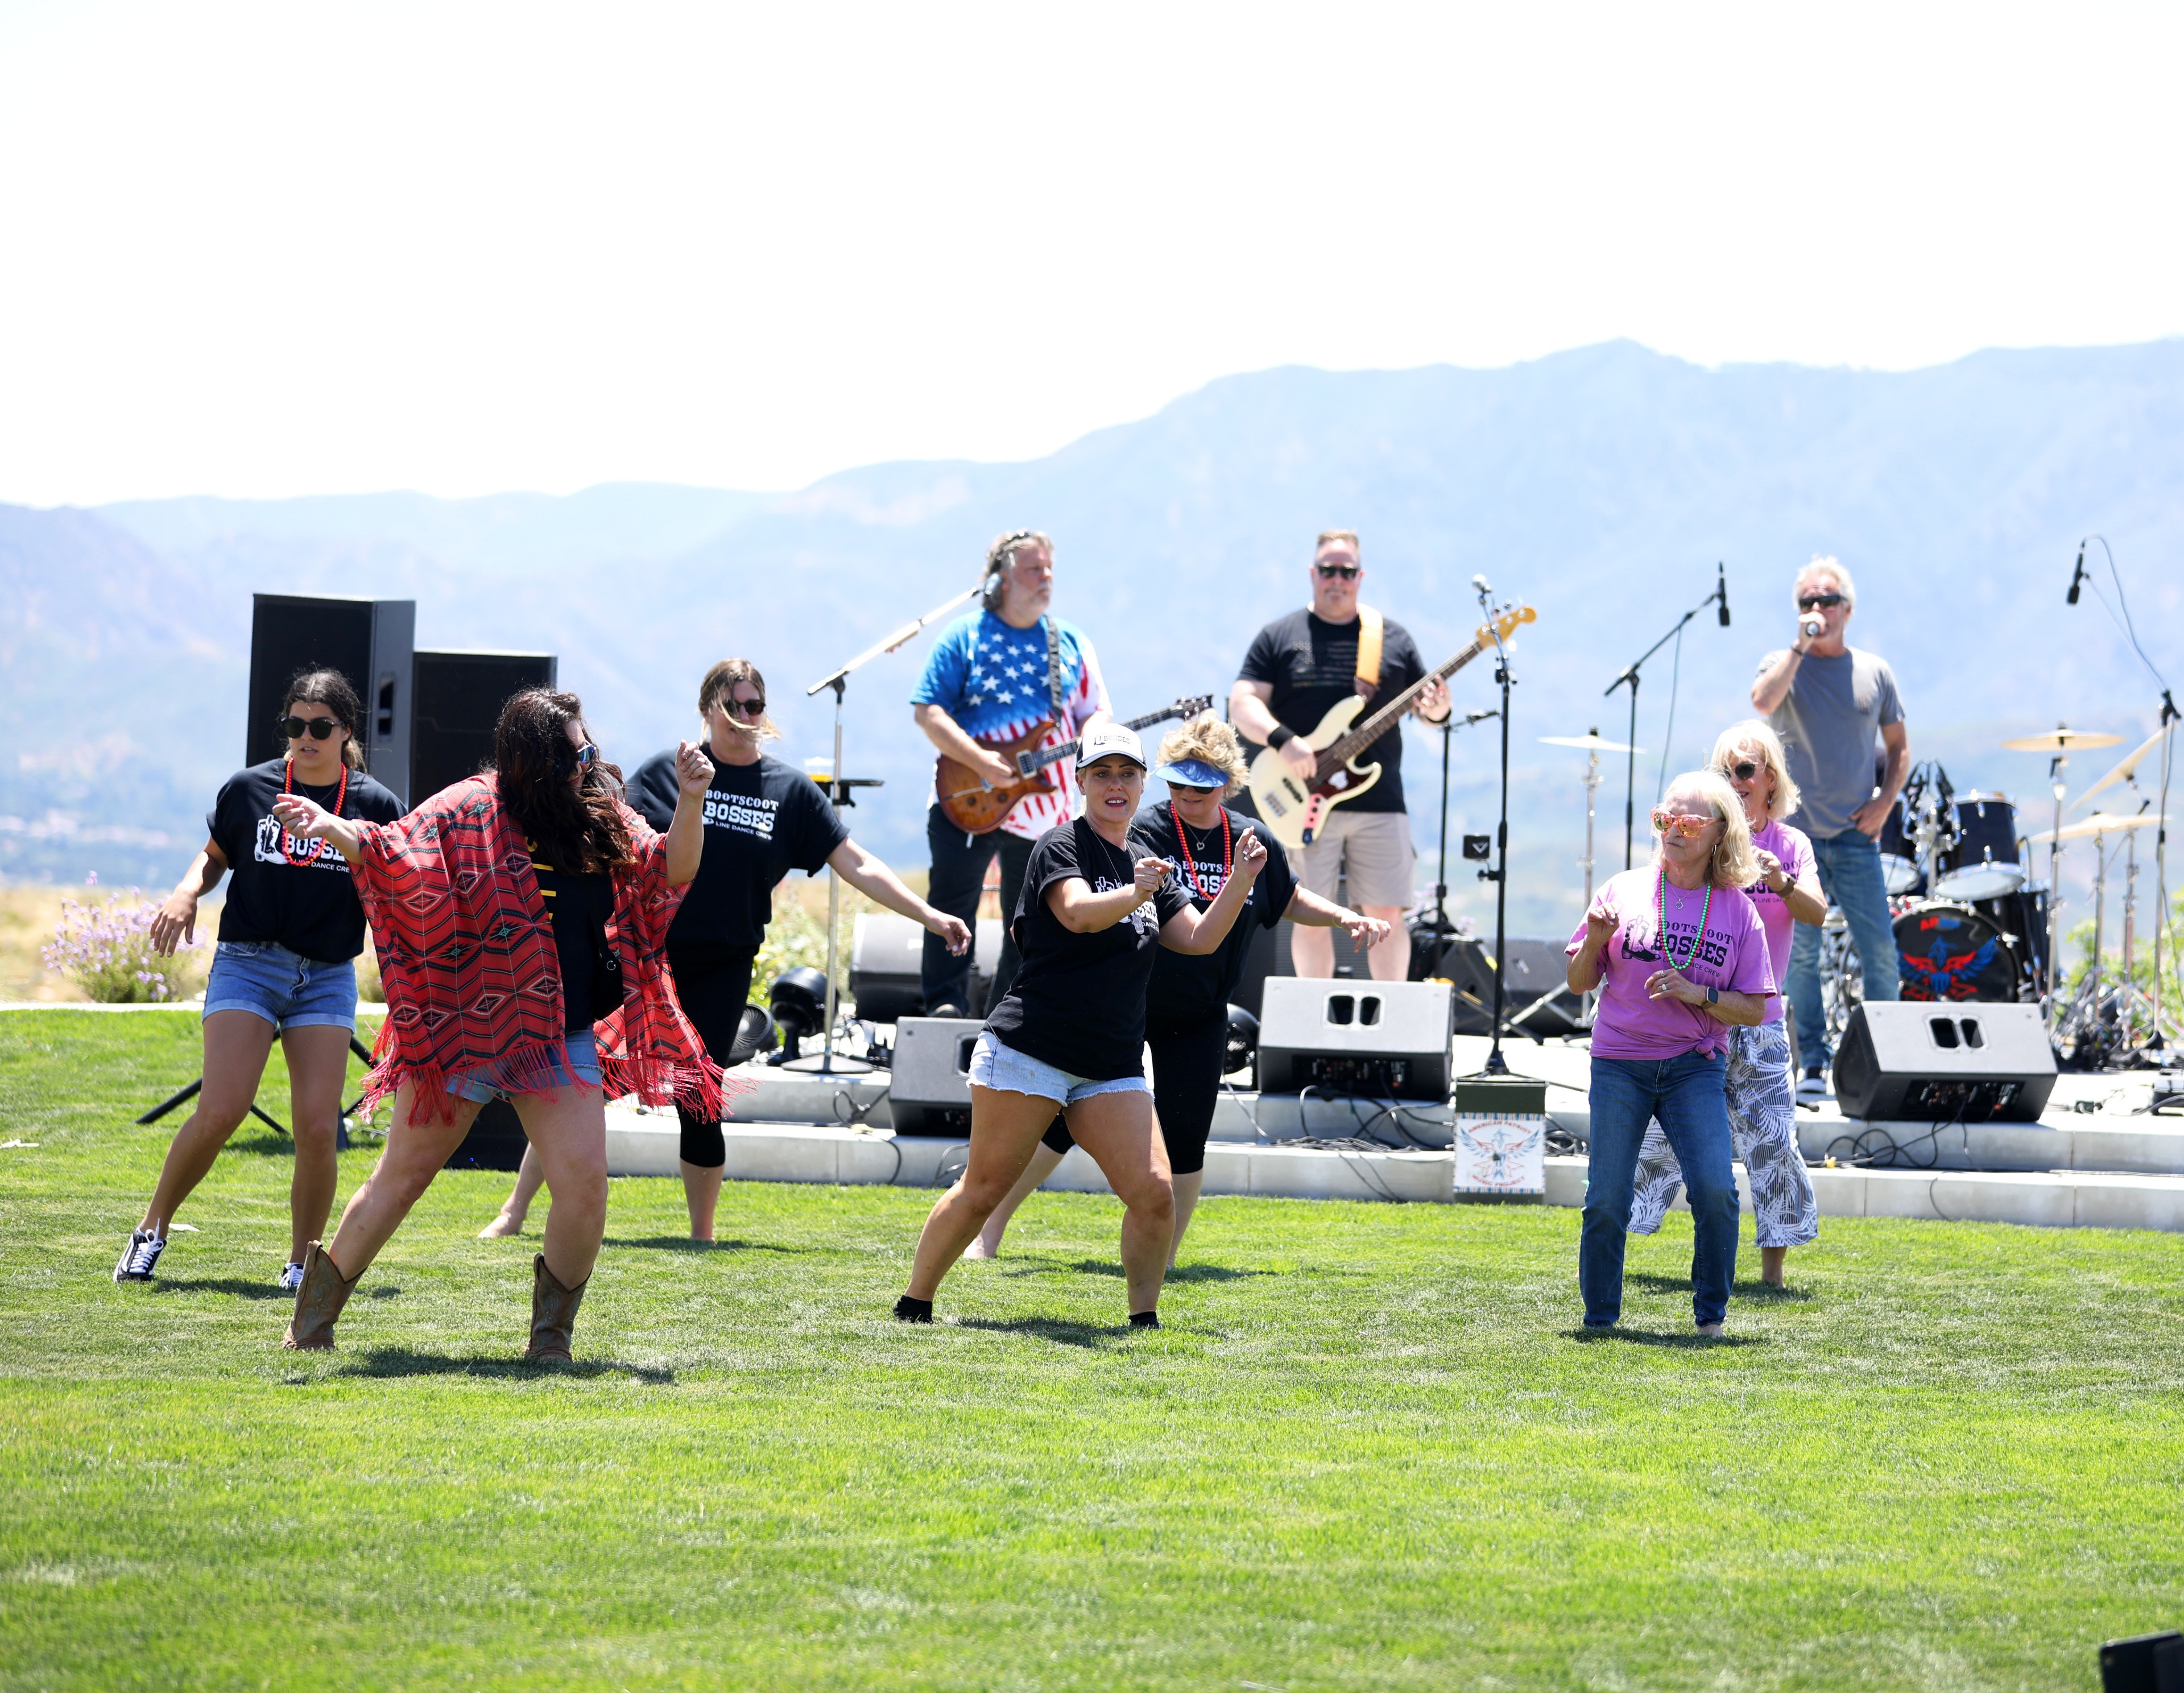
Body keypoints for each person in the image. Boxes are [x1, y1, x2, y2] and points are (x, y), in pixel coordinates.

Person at [269, 689, 718, 1361]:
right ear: (535, 761)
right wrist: (329, 827)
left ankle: (551, 1340)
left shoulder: (598, 811)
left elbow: (668, 870)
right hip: (464, 1028)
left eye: (589, 748)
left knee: (585, 1185)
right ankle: (311, 1324)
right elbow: (393, 851)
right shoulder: (469, 807)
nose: (588, 762)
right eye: (576, 752)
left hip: (556, 1030)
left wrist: (691, 799)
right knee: (405, 1175)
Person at [479, 659, 971, 1243]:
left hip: (724, 963)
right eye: (732, 705)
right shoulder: (666, 772)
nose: (745, 718)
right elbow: (597, 832)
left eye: (754, 706)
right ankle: (514, 1212)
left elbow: (856, 863)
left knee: (698, 1092)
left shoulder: (789, 792)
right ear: (707, 710)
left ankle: (702, 1234)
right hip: (644, 954)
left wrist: (930, 914)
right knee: (591, 1082)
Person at [967, 716, 1392, 1264]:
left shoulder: (1251, 839)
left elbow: (1285, 897)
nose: (1188, 795)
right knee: (1057, 1126)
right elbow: (1081, 903)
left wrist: (1345, 918)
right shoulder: (1140, 829)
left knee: (1188, 1136)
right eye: (1178, 784)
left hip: (1199, 1011)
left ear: (1229, 784)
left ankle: (1161, 1259)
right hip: (1126, 1007)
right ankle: (991, 1230)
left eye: (1202, 785)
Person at [894, 724, 1268, 1329]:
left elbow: (1198, 939)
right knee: (984, 1189)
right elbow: (1075, 913)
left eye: (1126, 774)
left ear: (1142, 783)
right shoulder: (1061, 845)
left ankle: (1143, 1319)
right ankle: (916, 1301)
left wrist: (1241, 882)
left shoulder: (1151, 870)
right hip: (1031, 1048)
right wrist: (1135, 890)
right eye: (1102, 773)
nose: (1115, 785)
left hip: (1111, 1062)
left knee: (1154, 1193)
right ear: (1082, 781)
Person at [114, 670, 406, 1288]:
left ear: (346, 731)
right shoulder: (251, 788)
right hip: (249, 962)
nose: (304, 736)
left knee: (320, 1126)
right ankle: (151, 1230)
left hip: (325, 974)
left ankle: (303, 1263)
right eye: (294, 725)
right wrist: (186, 892)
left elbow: (395, 876)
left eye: (319, 727)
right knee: (223, 1108)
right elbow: (214, 856)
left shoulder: (374, 804)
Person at [1563, 770, 1774, 1336]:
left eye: (1687, 821)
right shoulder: (1622, 889)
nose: (1672, 830)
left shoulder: (1736, 910)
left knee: (1715, 1191)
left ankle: (1710, 1317)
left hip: (1692, 1068)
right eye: (1665, 818)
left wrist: (1700, 995)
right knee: (1606, 1199)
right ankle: (1600, 1320)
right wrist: (1593, 941)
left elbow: (1755, 1008)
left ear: (1718, 832)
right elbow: (1580, 982)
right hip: (1620, 1064)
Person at [1626, 722, 1825, 1287]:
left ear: (1770, 780)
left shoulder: (1791, 845)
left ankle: (1772, 1275)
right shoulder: (1705, 839)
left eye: (1744, 771)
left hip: (1759, 1018)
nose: (1735, 782)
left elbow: (1818, 914)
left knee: (1774, 1142)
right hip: (1692, 1014)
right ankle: (1620, 1244)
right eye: (1725, 772)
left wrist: (1782, 882)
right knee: (1659, 1137)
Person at [1229, 529, 1451, 981]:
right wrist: (1283, 741)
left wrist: (1440, 708)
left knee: (1388, 914)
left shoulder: (1393, 639)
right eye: (1328, 570)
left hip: (1381, 800)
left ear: (1360, 576)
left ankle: (1390, 1025)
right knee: (1311, 913)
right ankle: (1313, 1025)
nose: (1337, 579)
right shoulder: (1280, 635)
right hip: (1302, 804)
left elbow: (1430, 713)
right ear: (1313, 573)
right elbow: (1242, 702)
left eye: (1346, 571)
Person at [911, 528, 1110, 1016]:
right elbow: (928, 712)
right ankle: (945, 1008)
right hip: (967, 796)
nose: (1045, 578)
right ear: (1001, 579)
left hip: (1044, 809)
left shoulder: (1069, 641)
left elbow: (1097, 708)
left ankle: (1007, 1016)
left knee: (1028, 923)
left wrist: (1095, 735)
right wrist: (983, 763)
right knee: (952, 904)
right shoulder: (964, 636)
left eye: (1048, 569)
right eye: (1032, 569)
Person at [1750, 555, 1908, 1099]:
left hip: (1856, 835)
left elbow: (1899, 747)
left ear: (1848, 609)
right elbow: (1762, 702)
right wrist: (1799, 647)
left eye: (1827, 601)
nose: (1818, 610)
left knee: (1881, 951)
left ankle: (1888, 1061)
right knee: (1802, 955)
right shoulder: (1783, 662)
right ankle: (1813, 1063)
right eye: (1807, 602)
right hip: (1798, 838)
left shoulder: (1875, 671)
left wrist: (1885, 803)